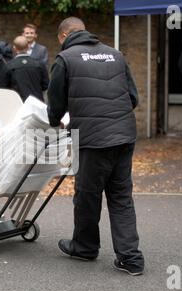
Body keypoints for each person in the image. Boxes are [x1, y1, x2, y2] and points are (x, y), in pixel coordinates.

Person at [47, 17, 144, 276]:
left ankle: (85, 247)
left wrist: (56, 121)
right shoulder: (116, 55)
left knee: (87, 196)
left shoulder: (65, 59)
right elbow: (133, 97)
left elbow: (55, 105)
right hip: (124, 135)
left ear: (63, 36)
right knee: (121, 196)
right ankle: (131, 258)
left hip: (92, 139)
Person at [0, 36, 49, 102]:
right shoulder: (39, 65)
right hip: (37, 103)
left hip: (17, 103)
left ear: (14, 48)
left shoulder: (9, 66)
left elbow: (3, 87)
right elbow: (45, 85)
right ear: (28, 47)